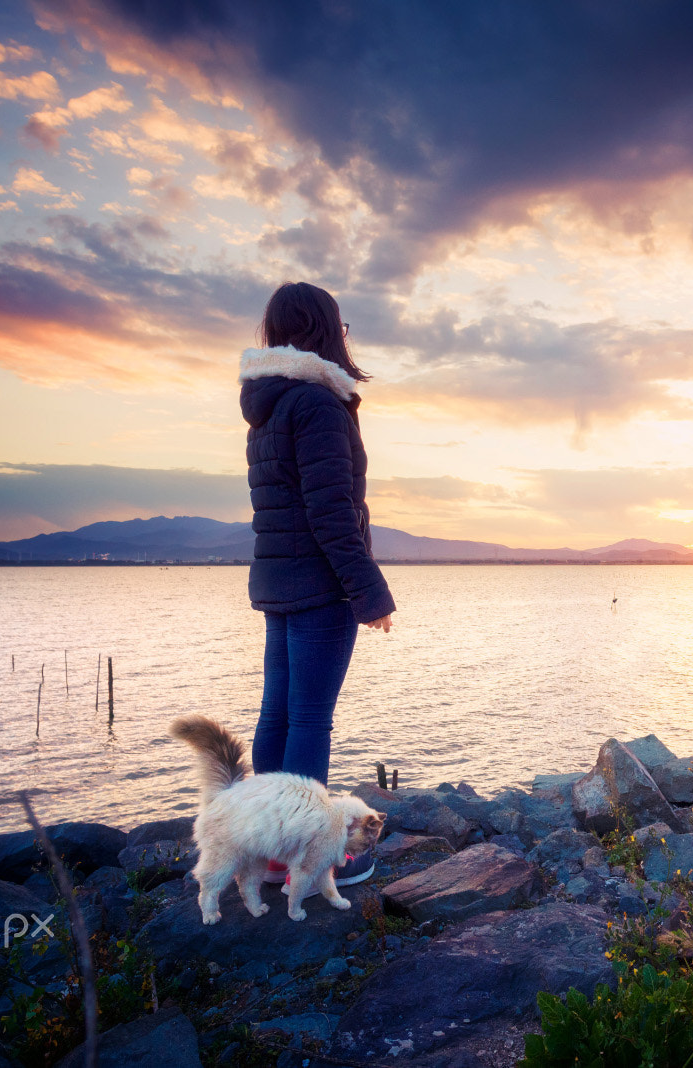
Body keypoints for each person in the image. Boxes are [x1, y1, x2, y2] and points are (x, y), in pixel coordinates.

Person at [238, 281, 396, 890]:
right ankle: (307, 855)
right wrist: (370, 593)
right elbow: (332, 511)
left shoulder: (269, 405)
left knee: (277, 714)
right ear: (328, 331)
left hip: (279, 579)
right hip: (320, 583)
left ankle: (272, 849)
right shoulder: (319, 405)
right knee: (308, 718)